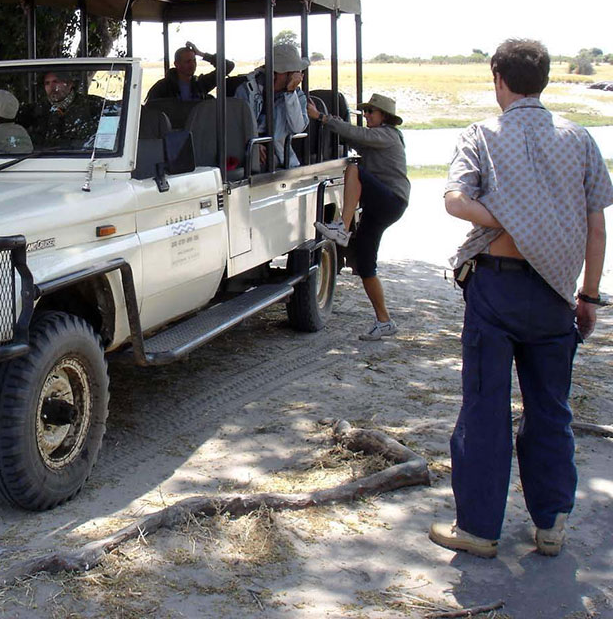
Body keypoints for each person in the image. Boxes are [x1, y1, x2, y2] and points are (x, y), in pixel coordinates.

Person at [427, 39, 612, 560]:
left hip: (496, 285)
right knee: (551, 408)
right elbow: (597, 226)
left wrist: (509, 219)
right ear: (544, 79)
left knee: (485, 406)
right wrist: (589, 295)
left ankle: (479, 529)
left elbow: (455, 201)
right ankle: (551, 524)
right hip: (556, 291)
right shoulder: (579, 138)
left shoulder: (480, 135)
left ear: (498, 78)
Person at [308, 93, 409, 340]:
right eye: (365, 111)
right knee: (366, 265)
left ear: (384, 116)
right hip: (379, 206)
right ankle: (384, 321)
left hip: (391, 200)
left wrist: (322, 117)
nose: (366, 116)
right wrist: (334, 124)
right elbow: (353, 136)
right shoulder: (377, 137)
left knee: (354, 169)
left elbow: (358, 135)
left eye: (371, 112)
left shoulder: (387, 135)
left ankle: (342, 226)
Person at [234, 41, 310, 168]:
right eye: (292, 71)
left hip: (279, 154)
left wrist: (290, 93)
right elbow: (236, 124)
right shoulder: (248, 90)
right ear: (276, 73)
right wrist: (254, 143)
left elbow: (297, 127)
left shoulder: (297, 95)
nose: (296, 75)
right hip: (247, 149)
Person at [145, 41, 235, 102]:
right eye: (188, 62)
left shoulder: (200, 84)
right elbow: (150, 110)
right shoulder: (162, 87)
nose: (192, 65)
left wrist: (201, 54)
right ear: (177, 64)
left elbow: (228, 66)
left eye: (194, 61)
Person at [34, 71, 104, 147]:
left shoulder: (92, 105)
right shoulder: (39, 110)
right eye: (47, 83)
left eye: (56, 81)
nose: (52, 87)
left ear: (70, 84)